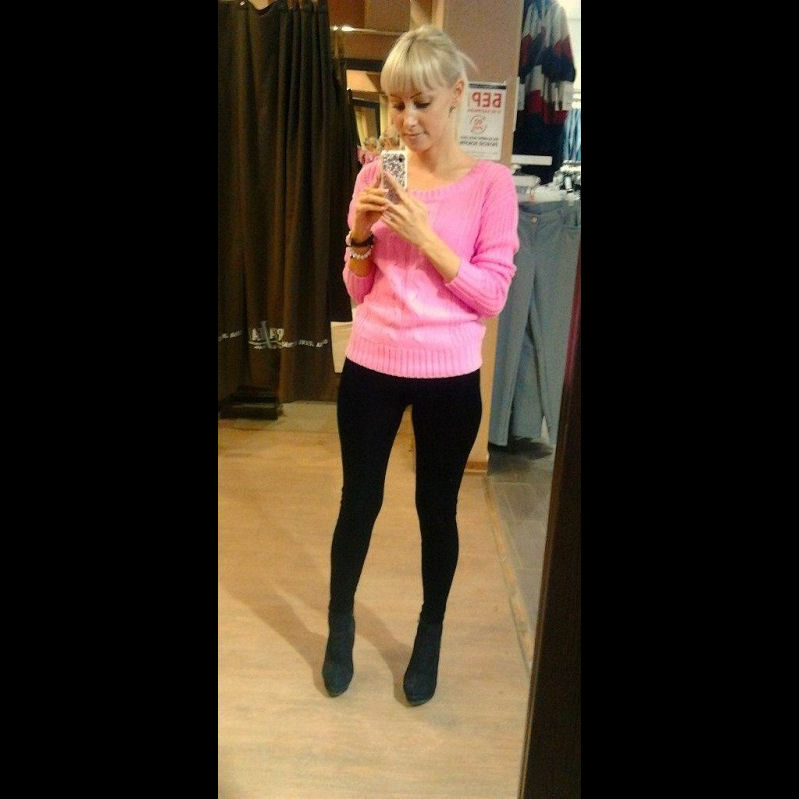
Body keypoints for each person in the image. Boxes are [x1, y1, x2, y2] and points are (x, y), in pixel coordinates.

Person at [323, 24, 520, 706]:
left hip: (450, 374)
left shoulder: (491, 185)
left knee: (437, 508)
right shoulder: (377, 174)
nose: (406, 120)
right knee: (359, 499)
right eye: (396, 103)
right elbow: (357, 289)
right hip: (372, 362)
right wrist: (358, 235)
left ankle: (429, 632)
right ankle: (340, 623)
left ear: (457, 95)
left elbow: (491, 295)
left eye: (421, 103)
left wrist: (426, 238)